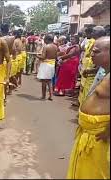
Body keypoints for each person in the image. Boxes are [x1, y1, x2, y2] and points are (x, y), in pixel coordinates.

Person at [67, 36, 110, 179]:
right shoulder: (105, 72)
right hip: (89, 133)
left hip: (99, 137)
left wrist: (108, 131)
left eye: (96, 52)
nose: (91, 54)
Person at [78, 26, 105, 107]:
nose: (91, 32)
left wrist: (91, 70)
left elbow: (102, 62)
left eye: (93, 31)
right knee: (85, 91)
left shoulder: (102, 44)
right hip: (89, 70)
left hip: (95, 73)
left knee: (90, 93)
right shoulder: (93, 41)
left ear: (99, 33)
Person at [36, 34, 58, 101]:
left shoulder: (46, 47)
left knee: (44, 81)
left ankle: (43, 96)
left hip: (46, 64)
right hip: (52, 64)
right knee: (49, 81)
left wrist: (36, 56)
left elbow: (43, 57)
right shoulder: (55, 46)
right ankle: (51, 95)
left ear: (48, 39)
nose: (44, 40)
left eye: (45, 39)